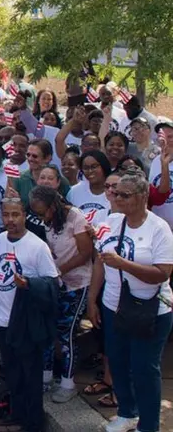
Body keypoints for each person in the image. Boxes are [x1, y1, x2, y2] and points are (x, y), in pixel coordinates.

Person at [88, 169, 173, 432]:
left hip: (150, 310)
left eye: (125, 195)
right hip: (114, 306)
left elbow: (162, 273)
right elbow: (101, 264)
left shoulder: (159, 229)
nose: (118, 198)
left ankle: (148, 426)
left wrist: (124, 263)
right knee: (118, 361)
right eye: (115, 193)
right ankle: (127, 413)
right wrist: (93, 299)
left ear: (142, 196)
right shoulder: (112, 222)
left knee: (144, 369)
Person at [0, 198, 60, 432]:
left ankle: (34, 422)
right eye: (6, 215)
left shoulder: (37, 246)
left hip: (25, 321)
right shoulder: (0, 239)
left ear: (24, 216)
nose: (10, 220)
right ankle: (16, 413)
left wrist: (29, 284)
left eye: (15, 215)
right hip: (2, 318)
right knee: (12, 371)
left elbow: (53, 283)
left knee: (30, 373)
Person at [28, 185, 94, 403]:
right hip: (56, 284)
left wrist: (60, 270)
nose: (41, 218)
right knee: (48, 330)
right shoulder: (49, 221)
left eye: (43, 213)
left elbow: (85, 253)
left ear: (53, 205)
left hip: (77, 284)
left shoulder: (76, 218)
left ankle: (68, 383)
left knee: (67, 334)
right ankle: (45, 377)